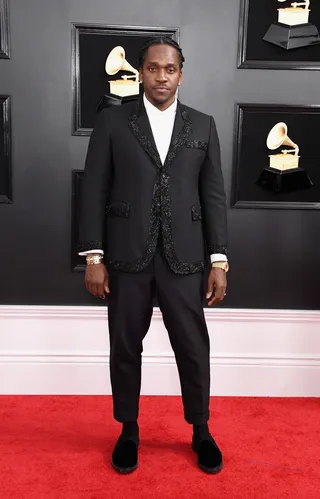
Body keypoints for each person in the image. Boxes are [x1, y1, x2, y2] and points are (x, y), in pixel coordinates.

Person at [78, 37, 229, 475]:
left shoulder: (203, 125)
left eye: (170, 69)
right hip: (126, 257)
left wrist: (218, 260)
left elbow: (213, 195)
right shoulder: (111, 121)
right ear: (140, 71)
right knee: (125, 347)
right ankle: (128, 430)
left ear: (181, 73)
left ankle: (200, 430)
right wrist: (93, 257)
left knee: (193, 347)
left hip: (186, 257)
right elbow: (93, 191)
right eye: (152, 68)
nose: (161, 76)